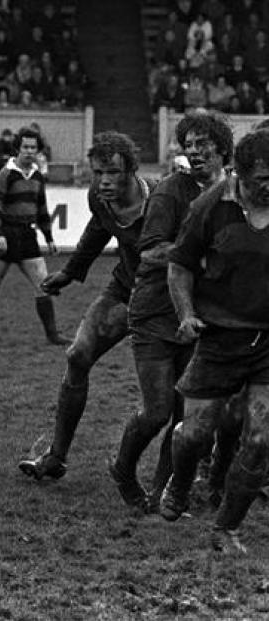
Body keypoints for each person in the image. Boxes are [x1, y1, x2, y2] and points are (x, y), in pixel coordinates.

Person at [109, 111, 233, 512]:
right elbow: (148, 251)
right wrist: (196, 256)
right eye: (188, 145)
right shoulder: (169, 192)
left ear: (222, 148)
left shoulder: (233, 193)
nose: (194, 153)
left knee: (185, 413)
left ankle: (163, 489)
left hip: (202, 317)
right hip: (155, 313)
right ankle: (123, 469)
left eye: (202, 145)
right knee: (157, 411)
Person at [17, 131, 155, 481]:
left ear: (132, 171)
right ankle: (55, 458)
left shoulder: (162, 199)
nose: (104, 181)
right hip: (124, 290)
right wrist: (71, 272)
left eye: (113, 173)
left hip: (165, 301)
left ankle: (188, 473)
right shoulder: (99, 198)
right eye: (98, 173)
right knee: (77, 355)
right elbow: (100, 228)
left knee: (171, 396)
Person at [159, 128, 269, 554]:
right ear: (240, 174)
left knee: (261, 439)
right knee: (195, 434)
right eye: (262, 178)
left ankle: (227, 528)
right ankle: (180, 480)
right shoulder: (211, 205)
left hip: (267, 341)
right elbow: (180, 266)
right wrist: (185, 314)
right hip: (219, 337)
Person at [0, 126, 69, 346]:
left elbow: (41, 209)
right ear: (17, 149)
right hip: (6, 234)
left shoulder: (38, 176)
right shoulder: (6, 174)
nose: (29, 151)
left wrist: (49, 238)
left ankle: (52, 335)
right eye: (25, 147)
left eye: (33, 147)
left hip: (27, 236)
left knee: (43, 284)